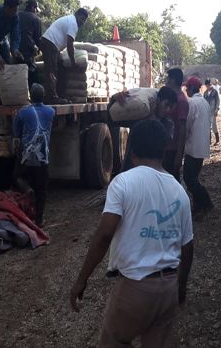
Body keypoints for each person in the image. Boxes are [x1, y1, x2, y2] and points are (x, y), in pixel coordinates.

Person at [70, 119, 194, 347]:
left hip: (135, 288)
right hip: (167, 288)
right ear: (163, 150)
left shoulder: (123, 183)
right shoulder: (180, 192)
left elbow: (105, 234)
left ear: (132, 150)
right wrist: (181, 288)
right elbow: (187, 248)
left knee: (114, 341)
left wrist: (82, 279)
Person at [12, 83, 55, 227]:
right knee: (42, 190)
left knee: (18, 176)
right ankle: (40, 220)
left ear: (30, 96)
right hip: (43, 158)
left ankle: (27, 189)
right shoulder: (50, 111)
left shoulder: (23, 112)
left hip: (26, 157)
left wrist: (15, 118)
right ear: (43, 96)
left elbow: (16, 132)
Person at [109, 86, 177, 172]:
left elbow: (161, 141)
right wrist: (114, 100)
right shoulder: (140, 115)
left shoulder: (168, 124)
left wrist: (152, 117)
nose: (168, 110)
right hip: (131, 169)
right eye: (166, 105)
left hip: (153, 173)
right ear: (158, 101)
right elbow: (112, 121)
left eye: (171, 107)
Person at [40, 8, 89, 104]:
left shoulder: (70, 20)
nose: (82, 22)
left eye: (84, 20)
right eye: (82, 19)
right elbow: (70, 44)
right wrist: (73, 61)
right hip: (50, 43)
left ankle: (60, 95)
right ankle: (51, 98)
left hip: (51, 44)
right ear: (77, 15)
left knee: (60, 67)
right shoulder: (73, 23)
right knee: (51, 70)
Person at [184, 77, 213, 218]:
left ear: (191, 88)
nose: (186, 91)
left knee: (189, 179)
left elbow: (187, 125)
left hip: (192, 147)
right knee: (194, 177)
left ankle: (206, 202)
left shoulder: (191, 102)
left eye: (187, 88)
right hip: (202, 146)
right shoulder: (204, 102)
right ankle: (198, 207)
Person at [163, 68, 189, 181]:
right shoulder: (173, 98)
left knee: (172, 182)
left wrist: (179, 156)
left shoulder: (181, 100)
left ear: (172, 80)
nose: (166, 81)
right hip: (167, 148)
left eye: (167, 79)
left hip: (172, 151)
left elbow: (183, 129)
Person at [18, 0, 43, 88]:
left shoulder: (18, 15)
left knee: (18, 74)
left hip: (16, 50)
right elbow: (38, 38)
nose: (36, 12)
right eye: (36, 9)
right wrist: (40, 50)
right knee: (33, 75)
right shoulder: (36, 19)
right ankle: (35, 97)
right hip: (28, 51)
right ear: (33, 8)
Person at [203, 78, 220, 145]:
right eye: (207, 85)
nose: (208, 86)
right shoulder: (205, 93)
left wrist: (216, 110)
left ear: (211, 84)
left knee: (214, 126)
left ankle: (217, 139)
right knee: (207, 126)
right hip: (207, 112)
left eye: (209, 85)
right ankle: (209, 141)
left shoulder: (215, 92)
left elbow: (218, 101)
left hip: (213, 111)